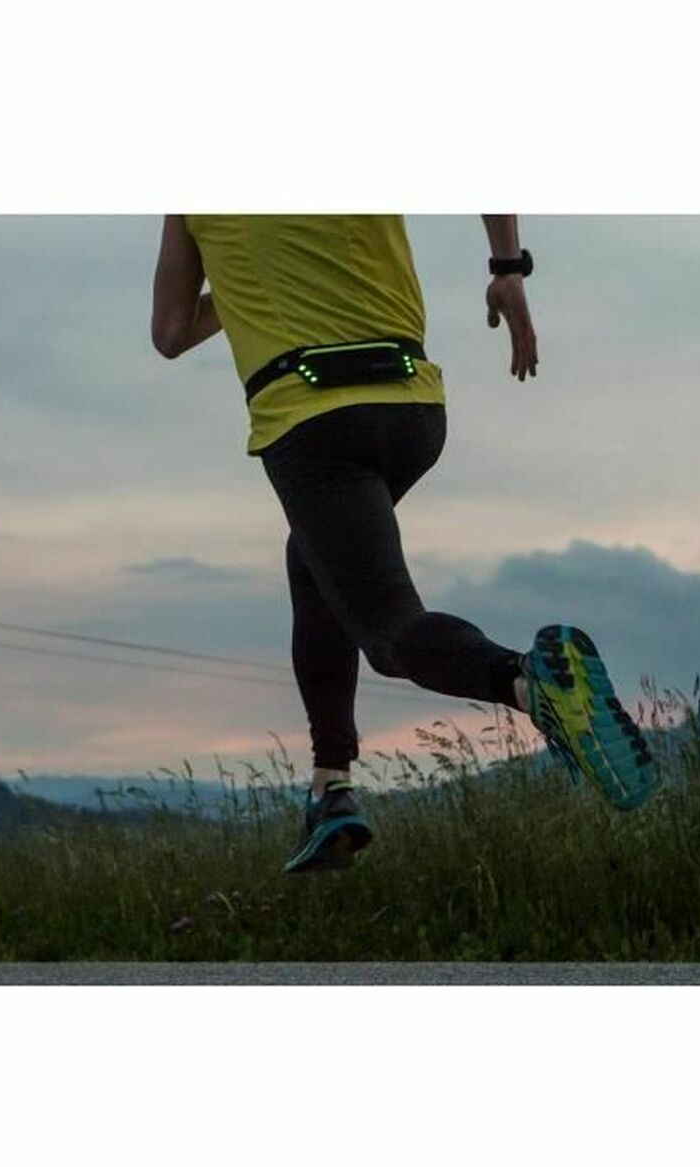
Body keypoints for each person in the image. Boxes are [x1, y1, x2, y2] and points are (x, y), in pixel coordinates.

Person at [150, 215, 657, 873]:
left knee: (390, 631)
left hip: (313, 419)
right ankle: (331, 785)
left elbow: (170, 333)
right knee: (314, 560)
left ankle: (528, 682)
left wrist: (242, 282)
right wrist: (507, 272)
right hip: (411, 407)